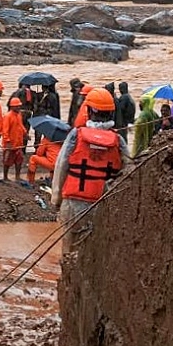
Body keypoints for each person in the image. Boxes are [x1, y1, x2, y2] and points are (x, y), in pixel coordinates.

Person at [51, 88, 127, 247]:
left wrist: (56, 198)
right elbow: (128, 171)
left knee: (70, 251)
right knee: (96, 250)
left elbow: (61, 165)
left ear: (89, 111)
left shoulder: (75, 135)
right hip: (103, 205)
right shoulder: (118, 141)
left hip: (73, 202)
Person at [1, 98, 27, 183]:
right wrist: (7, 141)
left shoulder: (19, 115)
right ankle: (5, 177)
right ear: (12, 107)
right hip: (10, 144)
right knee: (7, 161)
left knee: (19, 160)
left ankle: (17, 176)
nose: (19, 107)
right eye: (17, 106)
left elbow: (21, 126)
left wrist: (25, 133)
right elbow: (5, 130)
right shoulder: (8, 116)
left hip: (18, 143)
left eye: (19, 106)